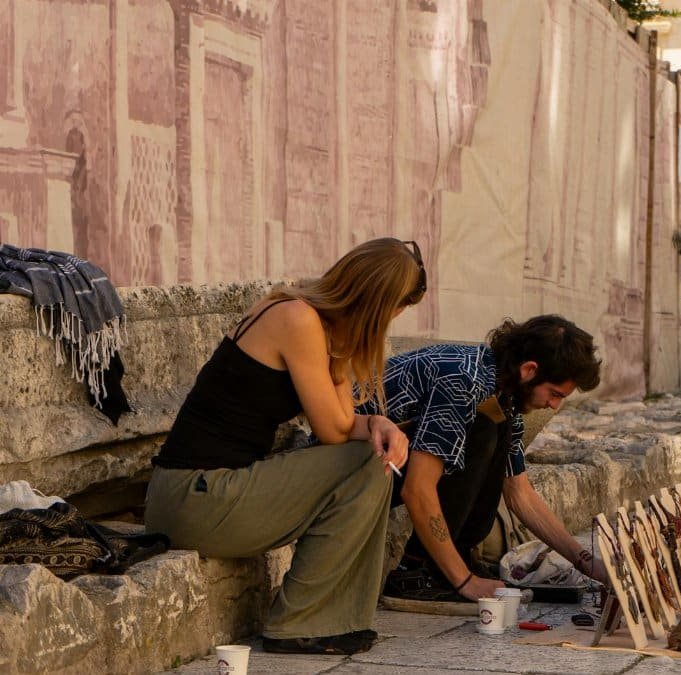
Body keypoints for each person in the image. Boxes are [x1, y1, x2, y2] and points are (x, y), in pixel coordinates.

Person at [144, 238, 425, 655]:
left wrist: (380, 422)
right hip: (197, 495)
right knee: (369, 462)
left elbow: (346, 421)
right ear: (381, 304)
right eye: (395, 311)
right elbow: (334, 433)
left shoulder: (311, 317)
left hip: (203, 493)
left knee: (372, 454)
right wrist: (372, 426)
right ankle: (301, 622)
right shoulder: (298, 319)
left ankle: (327, 617)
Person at [365, 314, 610, 602]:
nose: (554, 405)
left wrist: (586, 562)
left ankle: (456, 558)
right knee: (482, 429)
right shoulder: (463, 381)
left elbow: (519, 493)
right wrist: (465, 582)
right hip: (357, 469)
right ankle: (416, 570)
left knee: (495, 426)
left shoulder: (503, 396)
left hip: (391, 466)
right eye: (554, 394)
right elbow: (417, 489)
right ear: (529, 370)